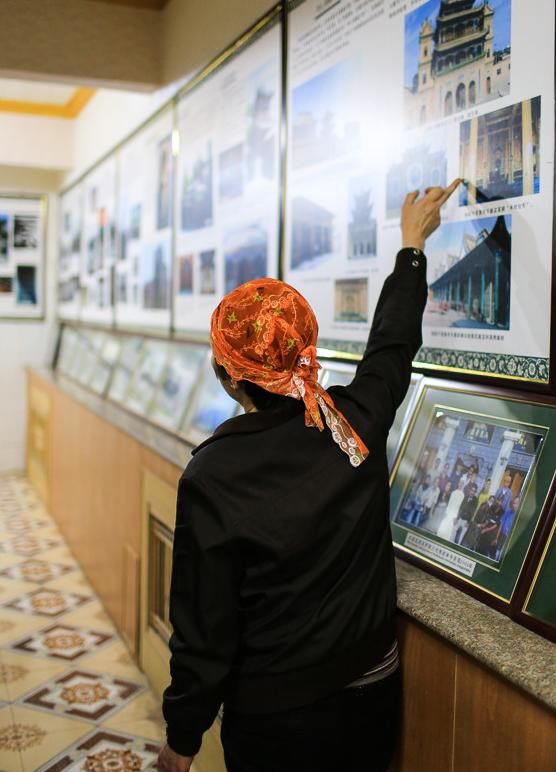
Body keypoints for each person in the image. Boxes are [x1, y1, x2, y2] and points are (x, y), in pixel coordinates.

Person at [156, 179, 461, 772]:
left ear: (229, 375)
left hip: (276, 720)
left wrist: (182, 737)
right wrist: (411, 246)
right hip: (373, 698)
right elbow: (392, 345)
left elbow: (204, 627)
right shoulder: (354, 420)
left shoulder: (213, 474)